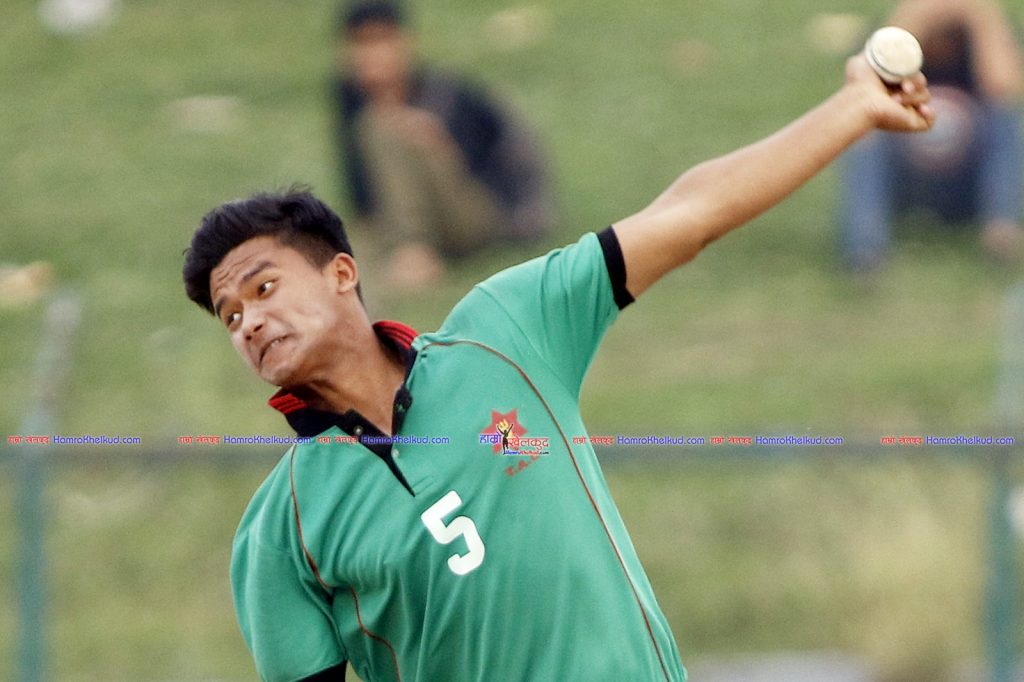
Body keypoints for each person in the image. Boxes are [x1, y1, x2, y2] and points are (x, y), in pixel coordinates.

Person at [182, 52, 933, 681]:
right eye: (230, 314)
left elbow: (689, 213)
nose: (250, 322)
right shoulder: (283, 532)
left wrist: (852, 111)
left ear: (343, 273)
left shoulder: (503, 331)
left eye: (263, 288)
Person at [331, 0, 552, 290]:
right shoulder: (350, 96)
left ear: (405, 41)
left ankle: (414, 250)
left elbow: (497, 168)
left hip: (484, 215)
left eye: (382, 40)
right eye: (361, 43)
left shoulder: (447, 93)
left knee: (382, 127)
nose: (372, 54)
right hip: (406, 218)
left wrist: (432, 141)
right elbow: (359, 192)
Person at [839, 0, 1024, 271]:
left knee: (1003, 119)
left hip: (969, 177)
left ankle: (1000, 234)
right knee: (868, 129)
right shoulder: (899, 32)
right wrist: (915, 17)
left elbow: (1003, 89)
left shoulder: (983, 36)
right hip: (909, 176)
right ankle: (865, 250)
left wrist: (981, 15)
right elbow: (870, 91)